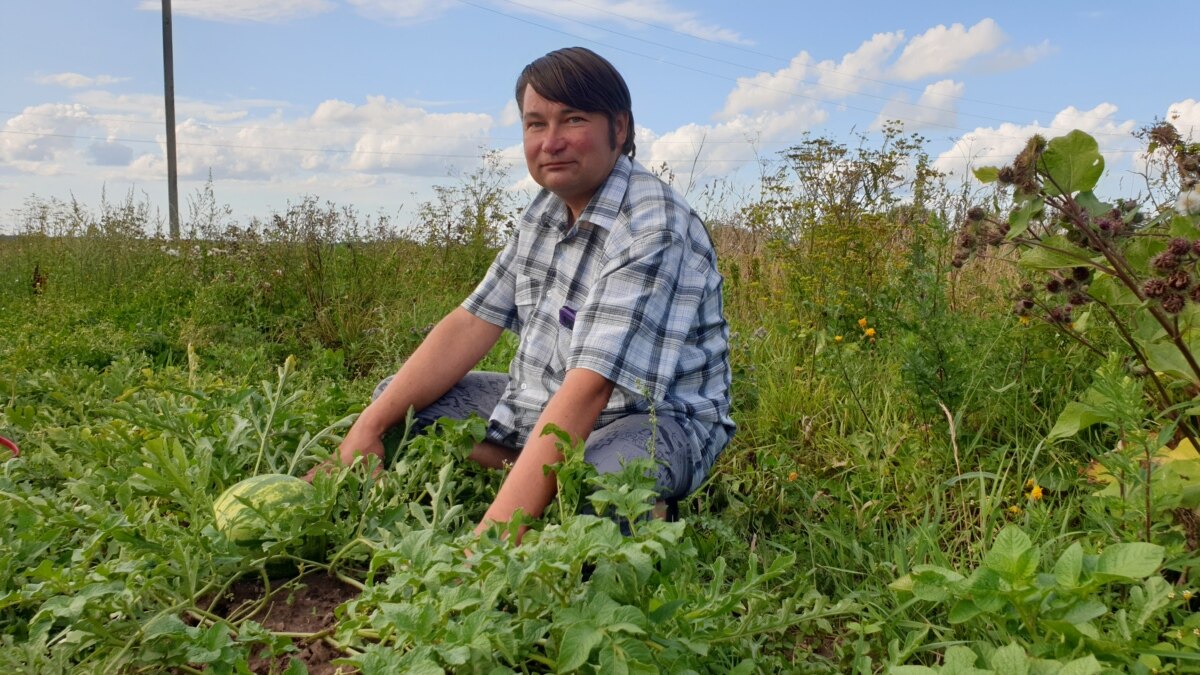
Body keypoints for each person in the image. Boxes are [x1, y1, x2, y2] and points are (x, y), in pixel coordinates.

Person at [312, 47, 733, 537]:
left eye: (571, 119)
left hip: (655, 421)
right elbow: (471, 323)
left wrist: (489, 543)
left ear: (619, 129)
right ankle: (540, 475)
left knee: (607, 480)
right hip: (550, 403)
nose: (550, 142)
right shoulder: (546, 210)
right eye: (535, 124)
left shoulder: (651, 224)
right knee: (397, 404)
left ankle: (597, 495)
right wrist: (364, 430)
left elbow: (591, 386)